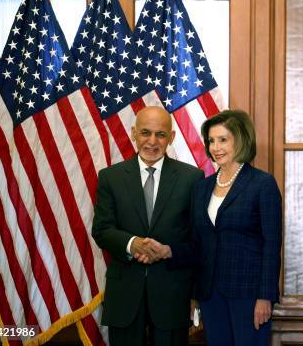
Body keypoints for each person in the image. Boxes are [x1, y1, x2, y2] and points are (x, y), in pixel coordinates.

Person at [91, 106, 203, 346]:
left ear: (171, 137)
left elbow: (198, 241)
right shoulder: (111, 177)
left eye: (161, 135)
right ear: (133, 133)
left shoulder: (192, 178)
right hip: (125, 297)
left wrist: (167, 252)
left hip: (173, 296)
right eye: (145, 133)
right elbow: (102, 229)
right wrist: (134, 245)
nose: (152, 142)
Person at [190, 109, 282, 345]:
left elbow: (271, 245)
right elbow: (198, 242)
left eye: (223, 140)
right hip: (210, 295)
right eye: (211, 141)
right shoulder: (202, 187)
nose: (215, 147)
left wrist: (265, 297)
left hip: (249, 295)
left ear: (240, 140)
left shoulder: (262, 183)